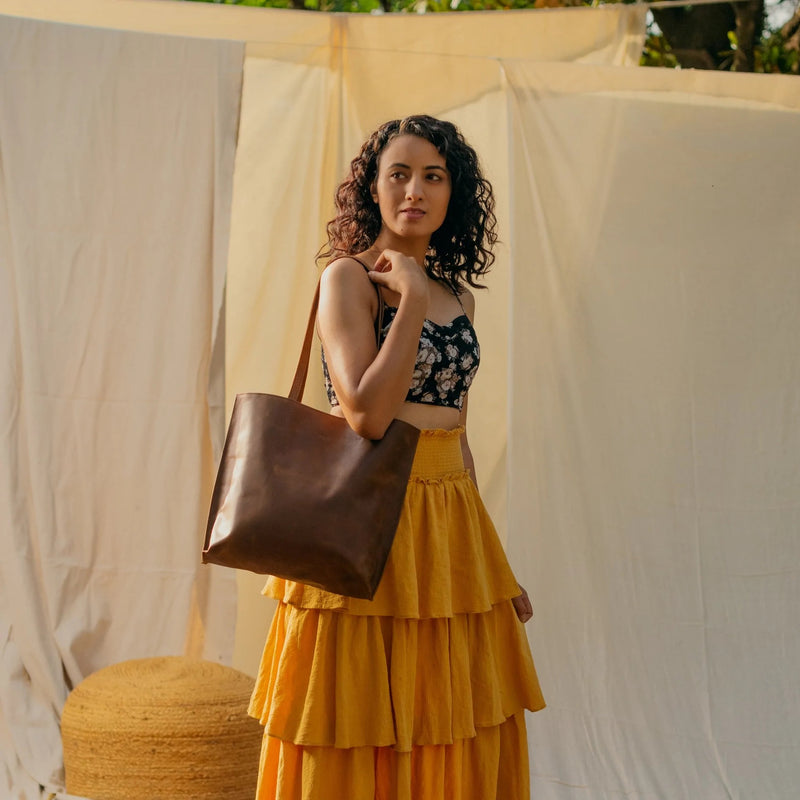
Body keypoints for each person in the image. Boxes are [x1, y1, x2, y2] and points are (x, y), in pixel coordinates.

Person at [248, 114, 545, 800]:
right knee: (354, 717)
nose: (415, 190)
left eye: (433, 177)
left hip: (447, 531)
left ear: (453, 194)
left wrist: (493, 566)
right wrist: (408, 298)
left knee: (445, 717)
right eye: (399, 174)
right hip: (364, 520)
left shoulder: (460, 296)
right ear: (373, 190)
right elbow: (366, 414)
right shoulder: (347, 279)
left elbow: (458, 436)